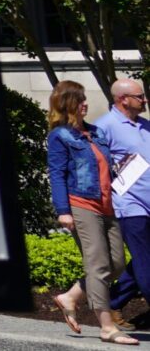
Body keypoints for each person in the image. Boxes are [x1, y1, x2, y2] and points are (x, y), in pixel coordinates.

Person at [51, 80, 139, 340]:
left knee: (118, 263)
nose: (85, 103)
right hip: (82, 204)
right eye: (80, 99)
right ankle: (107, 327)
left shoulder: (96, 132)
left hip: (107, 204)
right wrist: (62, 210)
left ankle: (70, 296)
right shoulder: (60, 136)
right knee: (98, 265)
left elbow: (105, 167)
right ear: (68, 103)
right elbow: (57, 174)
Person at [95, 76, 150, 320]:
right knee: (144, 260)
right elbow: (96, 167)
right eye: (140, 96)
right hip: (130, 205)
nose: (145, 99)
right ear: (122, 99)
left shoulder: (145, 125)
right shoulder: (104, 126)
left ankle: (113, 301)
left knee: (144, 258)